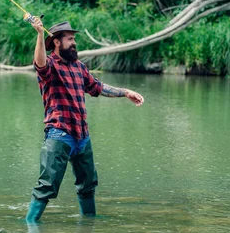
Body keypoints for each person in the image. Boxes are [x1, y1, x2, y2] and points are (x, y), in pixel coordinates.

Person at [25, 19, 144, 222]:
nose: (74, 43)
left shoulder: (79, 67)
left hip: (82, 137)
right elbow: (40, 64)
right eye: (70, 39)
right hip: (59, 135)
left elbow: (97, 87)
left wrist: (125, 92)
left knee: (88, 185)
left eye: (74, 39)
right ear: (56, 42)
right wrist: (38, 35)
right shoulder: (51, 65)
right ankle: (30, 226)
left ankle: (89, 224)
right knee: (47, 186)